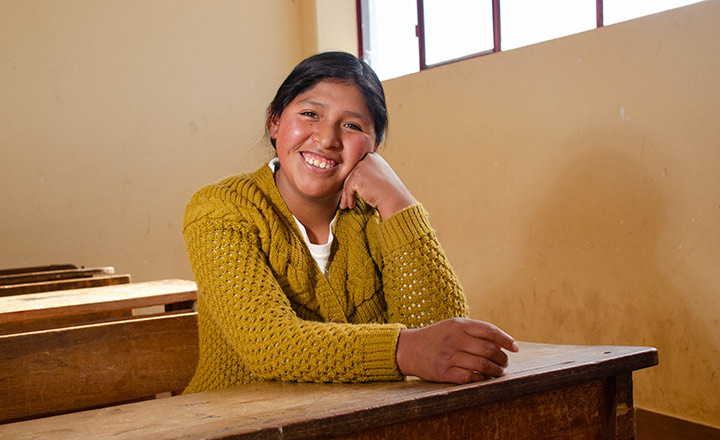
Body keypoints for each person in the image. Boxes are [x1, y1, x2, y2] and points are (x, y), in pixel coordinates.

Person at [182, 51, 518, 394]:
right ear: (274, 122)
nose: (327, 139)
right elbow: (270, 345)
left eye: (352, 125)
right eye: (310, 114)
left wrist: (398, 202)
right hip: (232, 425)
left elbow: (441, 337)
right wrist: (403, 349)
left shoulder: (376, 215)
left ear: (374, 146)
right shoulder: (219, 207)